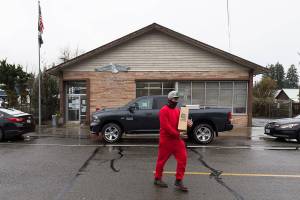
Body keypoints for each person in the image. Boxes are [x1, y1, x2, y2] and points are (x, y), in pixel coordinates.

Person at [154, 90, 193, 192]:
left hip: (177, 140)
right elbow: (166, 127)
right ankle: (157, 178)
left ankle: (178, 180)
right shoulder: (163, 111)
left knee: (183, 159)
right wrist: (178, 134)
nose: (176, 101)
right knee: (161, 161)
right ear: (169, 99)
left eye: (177, 99)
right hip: (166, 140)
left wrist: (188, 125)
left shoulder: (178, 111)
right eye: (174, 99)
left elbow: (182, 127)